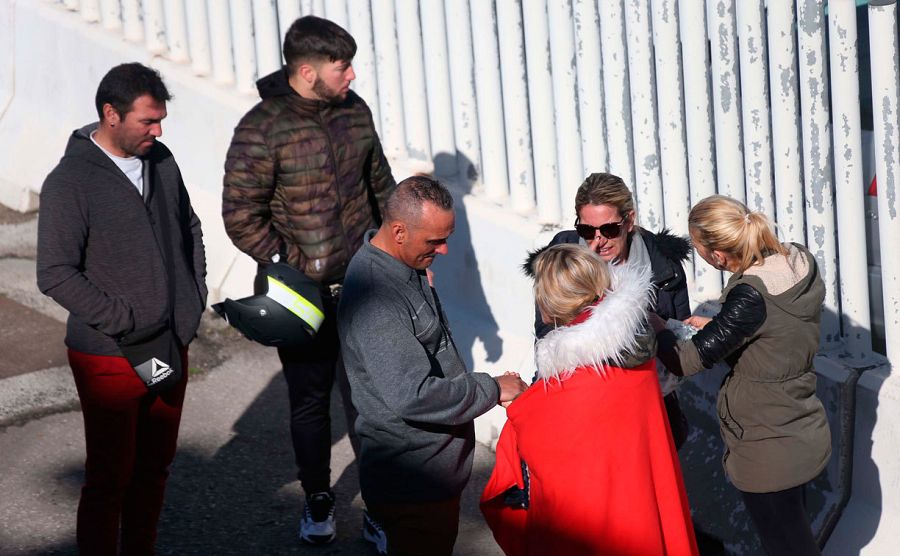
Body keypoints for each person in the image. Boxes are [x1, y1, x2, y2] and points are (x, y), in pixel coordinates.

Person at [221, 15, 395, 545]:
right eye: (341, 67)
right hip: (301, 295)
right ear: (306, 70)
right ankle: (318, 501)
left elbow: (380, 184)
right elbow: (240, 215)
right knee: (310, 401)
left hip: (365, 285)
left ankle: (379, 508)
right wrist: (291, 260)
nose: (352, 76)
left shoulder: (355, 112)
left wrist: (399, 249)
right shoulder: (261, 127)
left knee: (370, 404)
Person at [36, 63, 207, 555]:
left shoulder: (161, 160)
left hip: (171, 342)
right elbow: (55, 273)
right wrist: (124, 320)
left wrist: (191, 303)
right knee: (110, 477)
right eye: (148, 122)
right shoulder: (70, 181)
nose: (158, 131)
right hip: (109, 355)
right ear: (111, 115)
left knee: (155, 469)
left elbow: (188, 227)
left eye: (161, 120)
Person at [338, 176, 528, 556]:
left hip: (431, 477)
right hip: (414, 484)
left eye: (446, 238)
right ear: (399, 231)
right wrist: (492, 388)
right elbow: (413, 396)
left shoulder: (402, 263)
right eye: (433, 241)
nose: (442, 250)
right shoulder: (377, 299)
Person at [482, 244, 697, 556]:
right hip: (641, 502)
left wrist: (518, 401)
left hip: (598, 522)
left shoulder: (576, 374)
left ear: (549, 303)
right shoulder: (632, 348)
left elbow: (541, 440)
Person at [652, 195, 832, 556]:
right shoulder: (797, 261)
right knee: (794, 536)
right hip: (800, 425)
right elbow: (778, 333)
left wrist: (657, 327)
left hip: (766, 445)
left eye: (699, 248)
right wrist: (723, 325)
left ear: (718, 256)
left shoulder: (751, 296)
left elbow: (686, 361)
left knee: (786, 544)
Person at [532, 172, 691, 448]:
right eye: (586, 231)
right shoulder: (562, 254)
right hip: (580, 404)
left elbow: (677, 346)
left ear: (629, 221)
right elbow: (547, 331)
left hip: (646, 406)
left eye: (609, 230)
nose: (598, 240)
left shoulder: (663, 264)